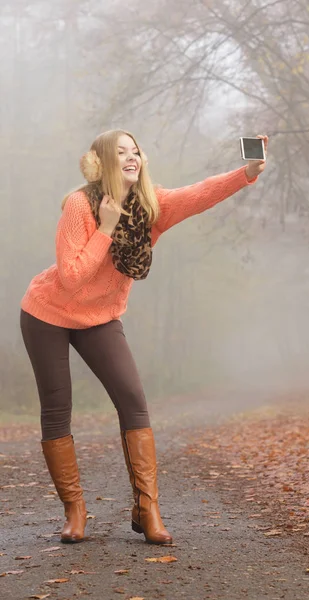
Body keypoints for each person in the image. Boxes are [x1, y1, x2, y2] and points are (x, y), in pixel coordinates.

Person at [20, 129, 268, 546]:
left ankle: (147, 508)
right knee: (57, 407)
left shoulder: (153, 206)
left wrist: (247, 172)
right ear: (102, 162)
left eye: (135, 151)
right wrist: (106, 227)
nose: (131, 157)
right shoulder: (80, 206)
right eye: (120, 152)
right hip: (48, 313)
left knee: (133, 401)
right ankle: (75, 512)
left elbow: (201, 193)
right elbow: (72, 277)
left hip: (100, 317)